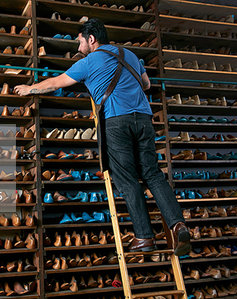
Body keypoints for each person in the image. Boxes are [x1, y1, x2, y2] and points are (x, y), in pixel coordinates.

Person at [14, 19, 191, 256]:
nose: (78, 47)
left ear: (91, 39)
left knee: (126, 179)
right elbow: (146, 84)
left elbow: (56, 82)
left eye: (80, 41)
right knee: (153, 174)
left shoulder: (88, 62)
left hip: (117, 120)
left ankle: (144, 237)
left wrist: (29, 89)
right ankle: (178, 224)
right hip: (144, 119)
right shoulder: (128, 54)